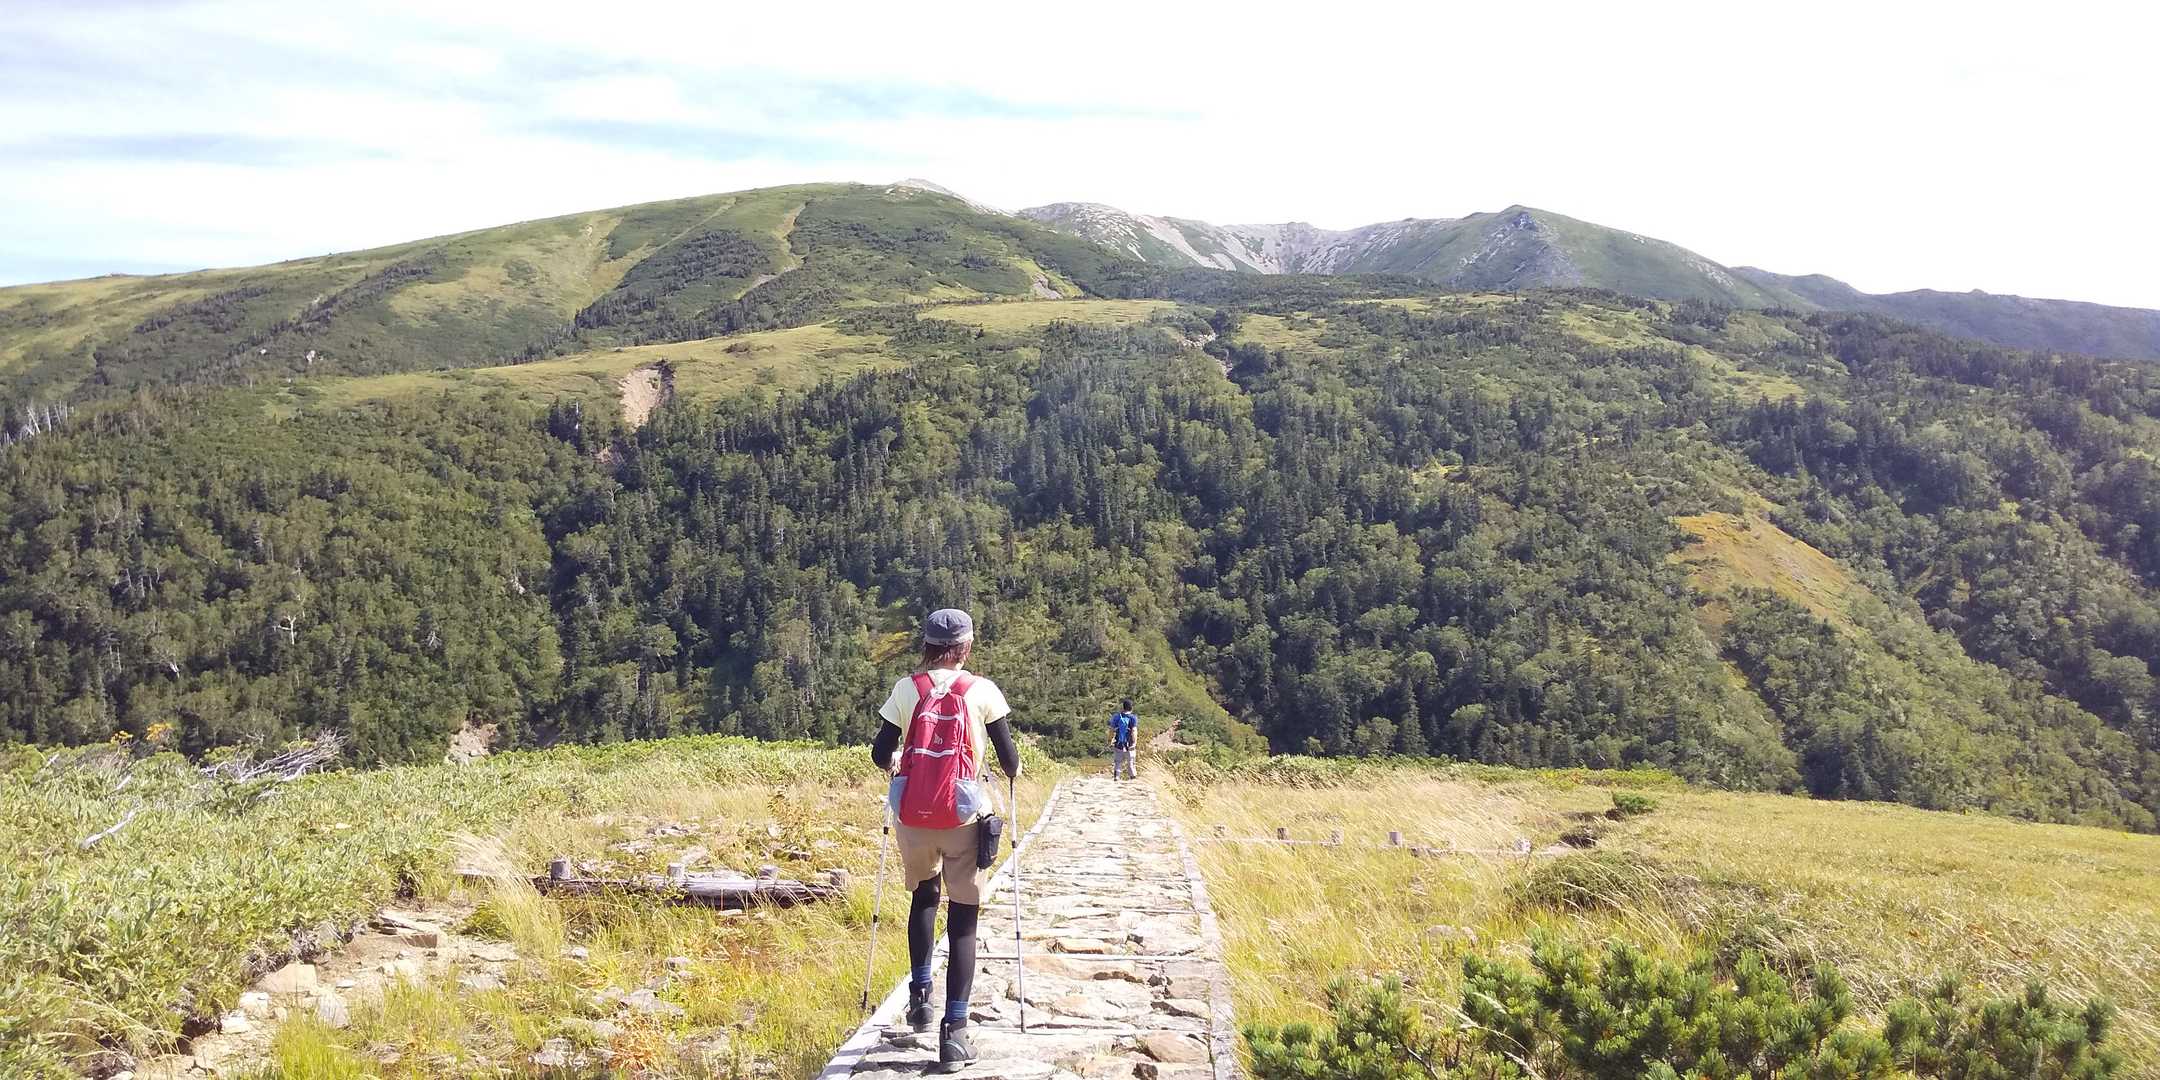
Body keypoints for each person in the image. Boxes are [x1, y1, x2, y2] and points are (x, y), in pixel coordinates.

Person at [870, 607, 1020, 1073]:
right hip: (964, 816)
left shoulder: (906, 688)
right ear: (966, 647)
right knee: (964, 921)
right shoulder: (982, 690)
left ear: (928, 645)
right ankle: (954, 1033)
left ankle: (920, 999)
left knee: (923, 897)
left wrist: (898, 763)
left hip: (913, 816)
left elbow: (880, 752)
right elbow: (1011, 761)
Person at [1110, 699, 1139, 781]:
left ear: (1123, 707)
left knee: (1118, 762)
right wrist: (1134, 743)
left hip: (1118, 744)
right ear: (1131, 707)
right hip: (1129, 745)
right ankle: (1133, 780)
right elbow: (1134, 731)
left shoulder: (1117, 717)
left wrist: (1110, 740)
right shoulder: (1133, 718)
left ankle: (1116, 778)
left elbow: (1111, 730)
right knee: (1131, 763)